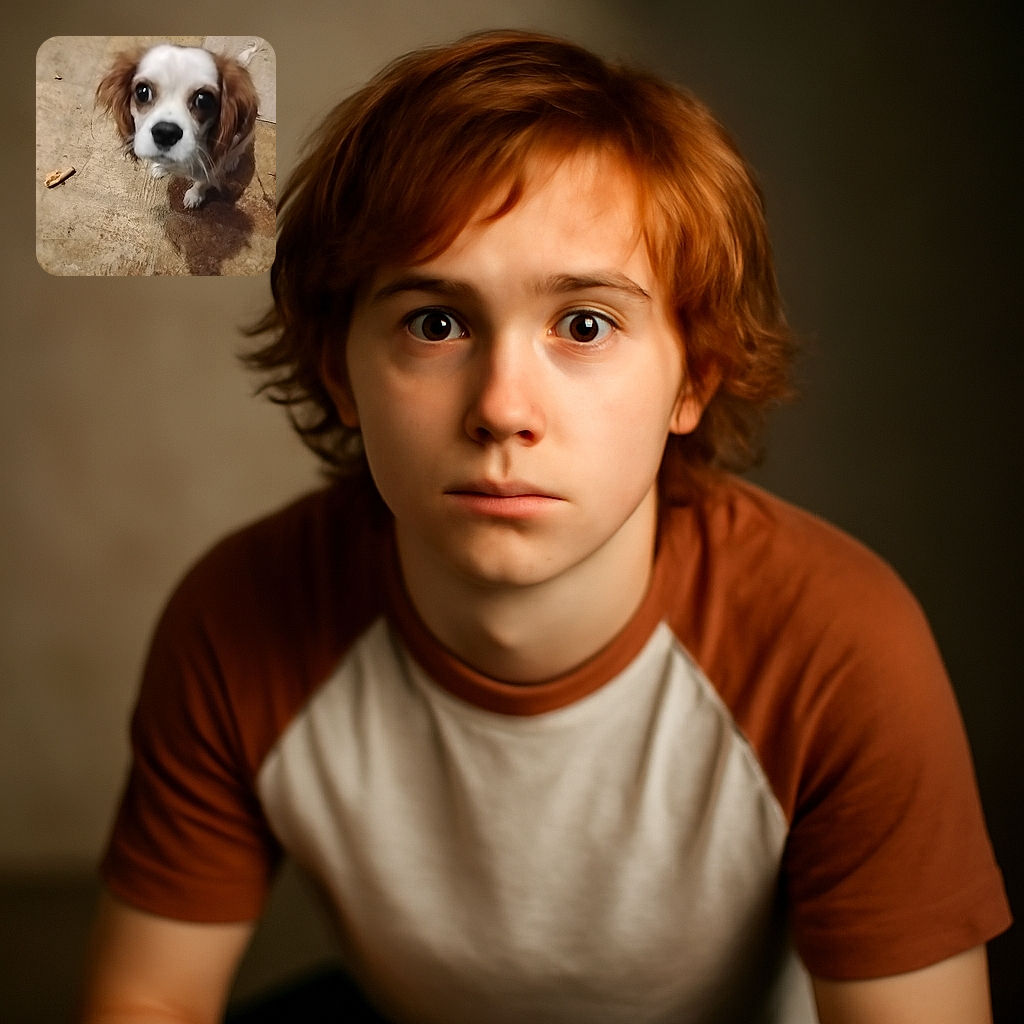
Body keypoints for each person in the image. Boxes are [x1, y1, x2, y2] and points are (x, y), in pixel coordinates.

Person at [78, 29, 1011, 1024]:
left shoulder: (840, 645)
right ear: (337, 369)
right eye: (436, 322)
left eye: (585, 325)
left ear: (693, 374)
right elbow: (152, 998)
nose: (503, 407)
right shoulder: (239, 617)